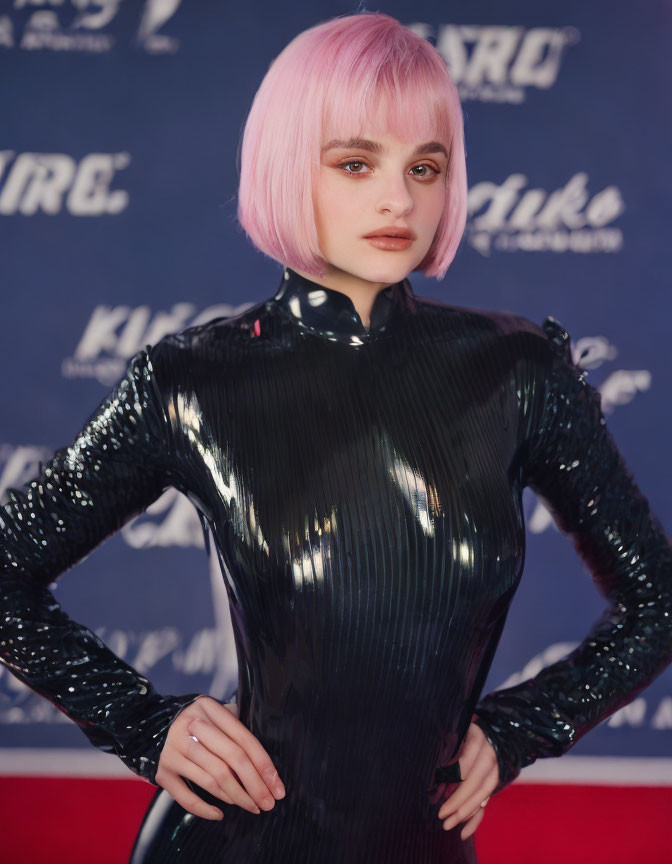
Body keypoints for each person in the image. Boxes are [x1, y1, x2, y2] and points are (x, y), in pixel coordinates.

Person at [1, 11, 671, 864]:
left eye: (425, 167)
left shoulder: (519, 372)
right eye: (357, 163)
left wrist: (522, 730)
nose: (400, 199)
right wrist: (142, 723)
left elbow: (659, 599)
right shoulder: (192, 381)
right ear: (288, 167)